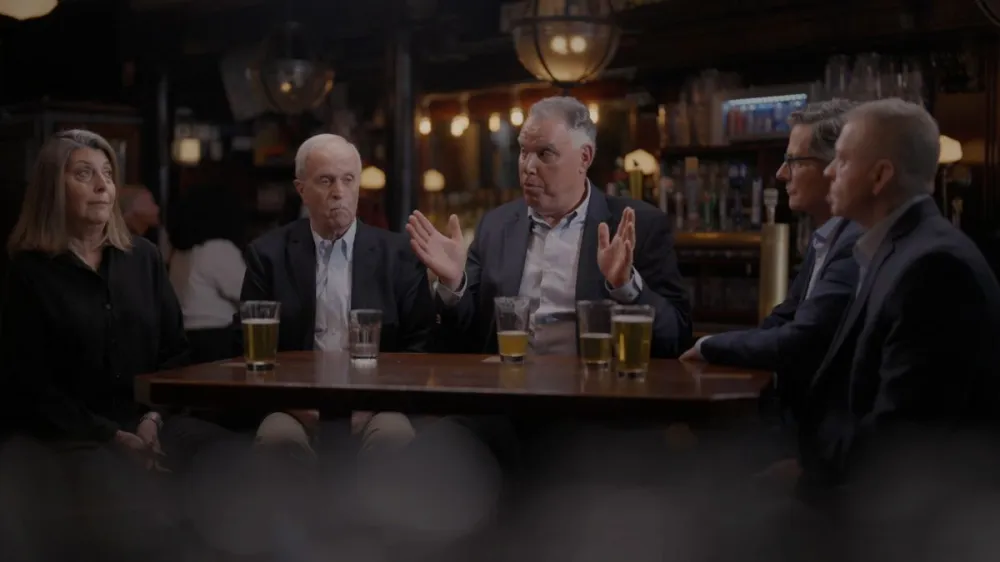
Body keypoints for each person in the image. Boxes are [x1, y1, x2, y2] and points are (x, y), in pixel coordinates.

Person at [0, 130, 235, 556]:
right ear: (53, 188)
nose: (102, 185)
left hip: (148, 422)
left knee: (227, 454)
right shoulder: (27, 272)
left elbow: (174, 355)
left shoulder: (142, 257)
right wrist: (113, 436)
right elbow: (29, 386)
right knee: (122, 494)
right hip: (73, 433)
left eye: (107, 173)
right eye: (84, 174)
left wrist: (151, 419)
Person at [799, 98, 1000, 491]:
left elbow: (900, 441)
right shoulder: (903, 247)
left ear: (880, 177)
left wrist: (808, 474)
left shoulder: (935, 269)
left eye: (840, 160)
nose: (828, 171)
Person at [407, 96, 691, 358]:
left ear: (584, 158)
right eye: (523, 152)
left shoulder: (636, 226)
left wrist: (625, 286)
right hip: (507, 396)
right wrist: (453, 285)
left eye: (545, 154)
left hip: (595, 397)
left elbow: (676, 337)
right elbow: (464, 338)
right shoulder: (496, 226)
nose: (528, 166)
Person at [238, 133, 434, 454]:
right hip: (293, 405)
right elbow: (246, 344)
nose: (339, 193)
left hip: (377, 405)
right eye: (326, 181)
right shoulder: (269, 255)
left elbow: (421, 344)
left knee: (393, 439)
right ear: (301, 189)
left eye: (348, 180)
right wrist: (294, 406)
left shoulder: (398, 254)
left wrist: (373, 405)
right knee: (277, 441)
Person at [680, 100, 862, 422]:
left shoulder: (855, 242)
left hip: (833, 437)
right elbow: (780, 321)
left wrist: (709, 346)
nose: (780, 174)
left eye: (793, 161)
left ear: (836, 165)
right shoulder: (829, 236)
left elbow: (800, 341)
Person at [168, 184, 247, 364]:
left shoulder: (179, 253)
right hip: (217, 337)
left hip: (185, 336)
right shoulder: (218, 248)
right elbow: (246, 293)